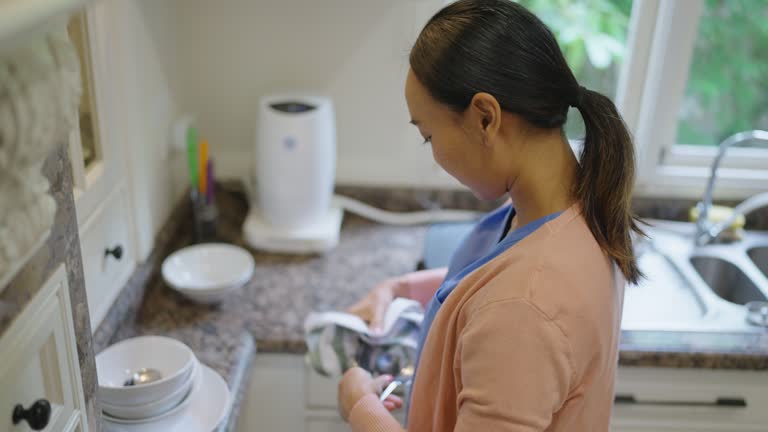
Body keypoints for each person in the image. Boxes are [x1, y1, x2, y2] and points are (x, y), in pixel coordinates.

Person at [337, 0, 643, 430]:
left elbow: (512, 302)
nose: (434, 155)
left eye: (428, 135)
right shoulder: (568, 202)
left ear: (485, 117)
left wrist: (358, 406)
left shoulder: (525, 308)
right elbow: (490, 276)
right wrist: (402, 287)